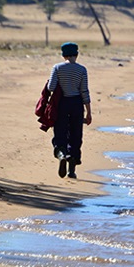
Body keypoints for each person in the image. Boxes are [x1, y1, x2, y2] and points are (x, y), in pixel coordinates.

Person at [47, 41, 92, 178]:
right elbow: (84, 91)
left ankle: (61, 155)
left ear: (63, 55)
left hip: (62, 103)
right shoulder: (82, 70)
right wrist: (89, 112)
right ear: (77, 54)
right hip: (77, 104)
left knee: (60, 132)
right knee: (75, 134)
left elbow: (51, 87)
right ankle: (71, 170)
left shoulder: (57, 68)